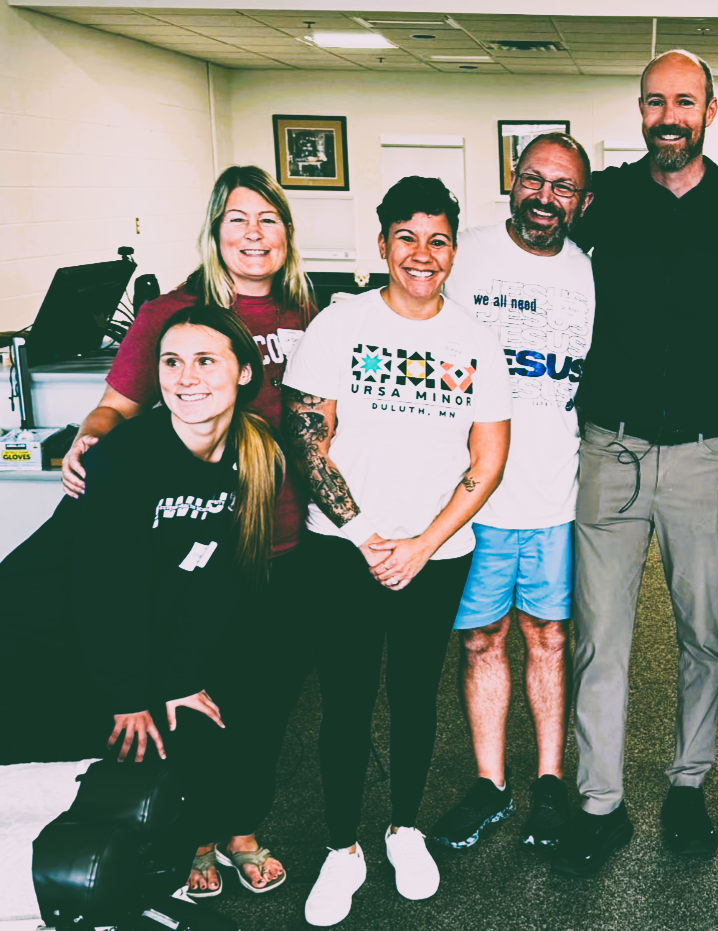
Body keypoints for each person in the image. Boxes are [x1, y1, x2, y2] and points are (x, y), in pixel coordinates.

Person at [57, 164, 316, 895]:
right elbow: (120, 405)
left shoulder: (303, 310)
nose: (253, 234)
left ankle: (241, 827)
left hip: (285, 537)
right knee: (199, 699)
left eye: (267, 219)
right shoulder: (175, 311)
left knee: (264, 703)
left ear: (287, 234)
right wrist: (91, 442)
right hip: (196, 549)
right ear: (214, 230)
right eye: (237, 218)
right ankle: (196, 831)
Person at [283, 176, 511, 926]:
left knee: (415, 698)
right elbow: (308, 442)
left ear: (453, 249)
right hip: (342, 549)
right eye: (407, 237)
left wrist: (424, 543)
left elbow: (488, 457)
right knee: (345, 703)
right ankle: (342, 848)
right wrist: (364, 536)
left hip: (436, 554)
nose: (423, 253)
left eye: (438, 239)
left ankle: (404, 828)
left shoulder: (475, 341)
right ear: (382, 244)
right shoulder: (338, 325)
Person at [2, 306, 287, 897]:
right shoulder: (126, 458)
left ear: (241, 373)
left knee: (216, 706)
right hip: (40, 619)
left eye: (206, 361)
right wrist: (135, 693)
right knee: (94, 753)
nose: (186, 378)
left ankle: (191, 838)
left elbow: (215, 577)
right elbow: (104, 589)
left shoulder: (255, 455)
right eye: (171, 362)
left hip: (135, 615)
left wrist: (181, 675)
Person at [556, 49, 718, 877]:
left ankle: (688, 784)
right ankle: (598, 801)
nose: (669, 116)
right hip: (612, 447)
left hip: (706, 451)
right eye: (654, 102)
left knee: (705, 632)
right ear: (639, 110)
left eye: (685, 102)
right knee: (601, 637)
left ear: (710, 109)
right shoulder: (604, 202)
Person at [430, 133, 595, 851]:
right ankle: (490, 784)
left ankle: (551, 782)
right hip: (471, 502)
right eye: (534, 179)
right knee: (481, 641)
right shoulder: (462, 255)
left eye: (562, 187)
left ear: (581, 203)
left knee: (550, 639)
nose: (544, 197)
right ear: (513, 179)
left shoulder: (591, 274)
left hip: (555, 496)